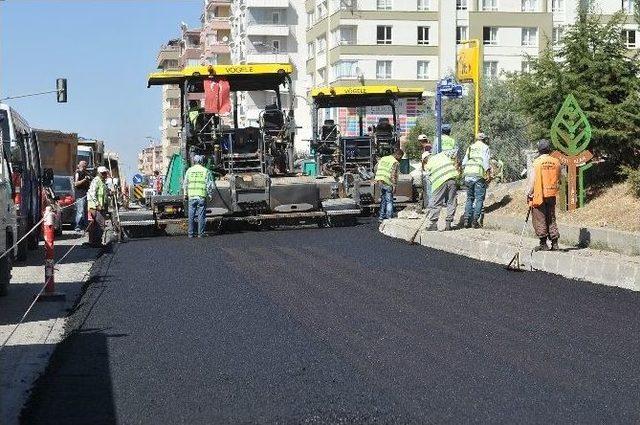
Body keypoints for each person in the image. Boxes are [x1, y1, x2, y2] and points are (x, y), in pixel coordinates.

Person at [527, 139, 561, 251]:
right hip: (551, 193)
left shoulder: (536, 162)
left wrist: (529, 192)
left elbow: (532, 180)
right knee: (551, 217)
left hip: (539, 194)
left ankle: (543, 244)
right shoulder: (556, 162)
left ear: (539, 150)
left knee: (539, 218)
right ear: (549, 149)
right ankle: (555, 243)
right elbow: (559, 177)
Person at [425, 148, 460, 231]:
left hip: (439, 182)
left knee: (436, 203)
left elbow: (429, 179)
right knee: (452, 201)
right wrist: (457, 165)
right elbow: (456, 150)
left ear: (425, 159)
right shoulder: (442, 154)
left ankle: (433, 224)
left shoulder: (428, 163)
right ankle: (448, 224)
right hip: (452, 179)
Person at [462, 132, 491, 228]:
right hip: (478, 175)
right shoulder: (485, 147)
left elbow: (464, 162)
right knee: (479, 199)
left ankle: (466, 219)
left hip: (468, 174)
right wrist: (488, 174)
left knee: (469, 198)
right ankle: (475, 221)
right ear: (484, 139)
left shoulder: (470, 147)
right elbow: (486, 161)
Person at [183, 155, 213, 238]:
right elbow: (210, 185)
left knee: (191, 216)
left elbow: (185, 183)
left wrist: (185, 194)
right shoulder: (205, 171)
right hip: (201, 196)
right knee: (201, 216)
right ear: (201, 161)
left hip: (191, 197)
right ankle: (201, 233)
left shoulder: (189, 170)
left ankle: (190, 234)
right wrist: (210, 195)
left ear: (194, 161)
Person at [374, 148, 403, 223]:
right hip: (387, 182)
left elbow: (375, 168)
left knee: (383, 200)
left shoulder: (383, 158)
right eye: (400, 157)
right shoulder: (395, 162)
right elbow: (393, 175)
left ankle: (381, 217)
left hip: (380, 181)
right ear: (398, 155)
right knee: (389, 200)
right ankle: (389, 217)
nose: (400, 159)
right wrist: (394, 185)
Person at [87, 166, 109, 247]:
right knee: (100, 225)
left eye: (105, 173)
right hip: (95, 207)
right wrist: (97, 204)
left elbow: (104, 194)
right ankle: (96, 243)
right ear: (99, 173)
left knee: (97, 225)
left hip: (100, 207)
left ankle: (96, 242)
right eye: (103, 173)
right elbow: (92, 194)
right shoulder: (96, 181)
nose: (105, 174)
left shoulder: (102, 182)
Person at [73, 160, 91, 232]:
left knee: (86, 211)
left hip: (86, 194)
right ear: (80, 166)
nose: (85, 167)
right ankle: (77, 226)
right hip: (80, 195)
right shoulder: (78, 173)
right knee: (80, 211)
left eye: (85, 166)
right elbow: (76, 183)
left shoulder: (86, 173)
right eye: (84, 166)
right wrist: (84, 180)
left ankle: (86, 226)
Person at [418, 134, 432, 210]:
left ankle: (430, 205)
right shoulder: (429, 147)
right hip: (429, 171)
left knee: (429, 190)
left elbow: (425, 160)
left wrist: (423, 167)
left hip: (427, 172)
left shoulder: (427, 148)